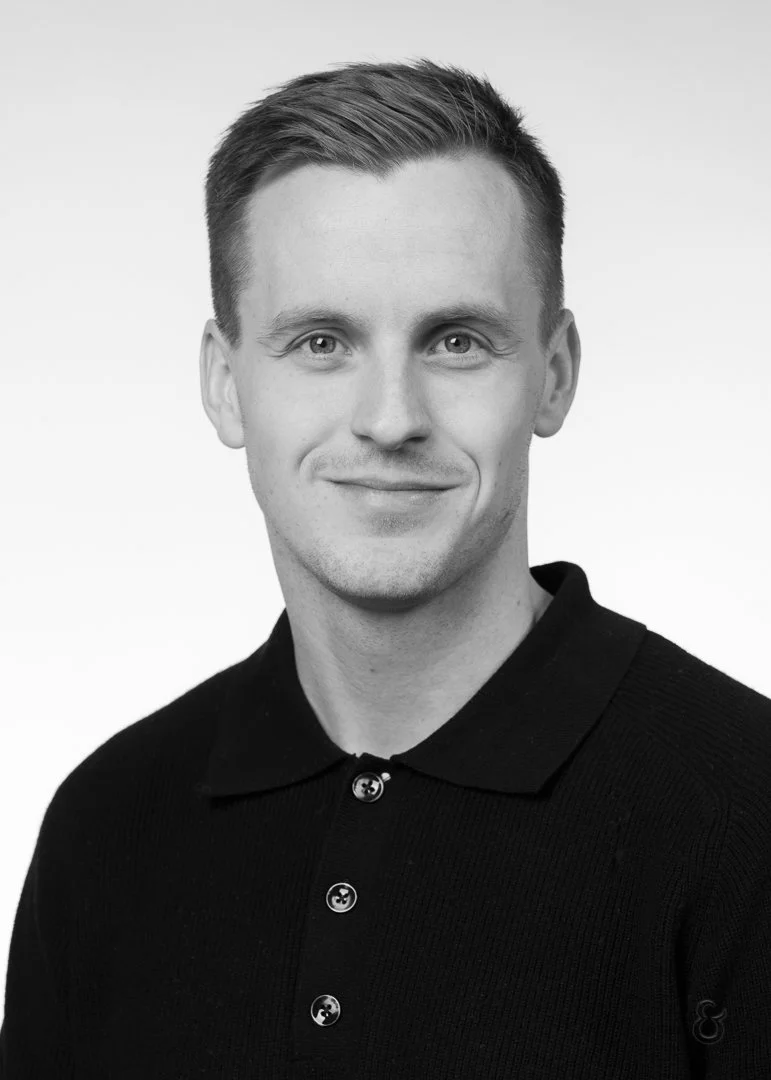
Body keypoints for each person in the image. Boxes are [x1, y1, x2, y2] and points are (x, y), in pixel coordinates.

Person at [1, 58, 769, 1080]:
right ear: (226, 384)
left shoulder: (746, 813)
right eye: (322, 342)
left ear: (554, 375)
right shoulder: (106, 827)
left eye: (457, 341)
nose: (391, 418)